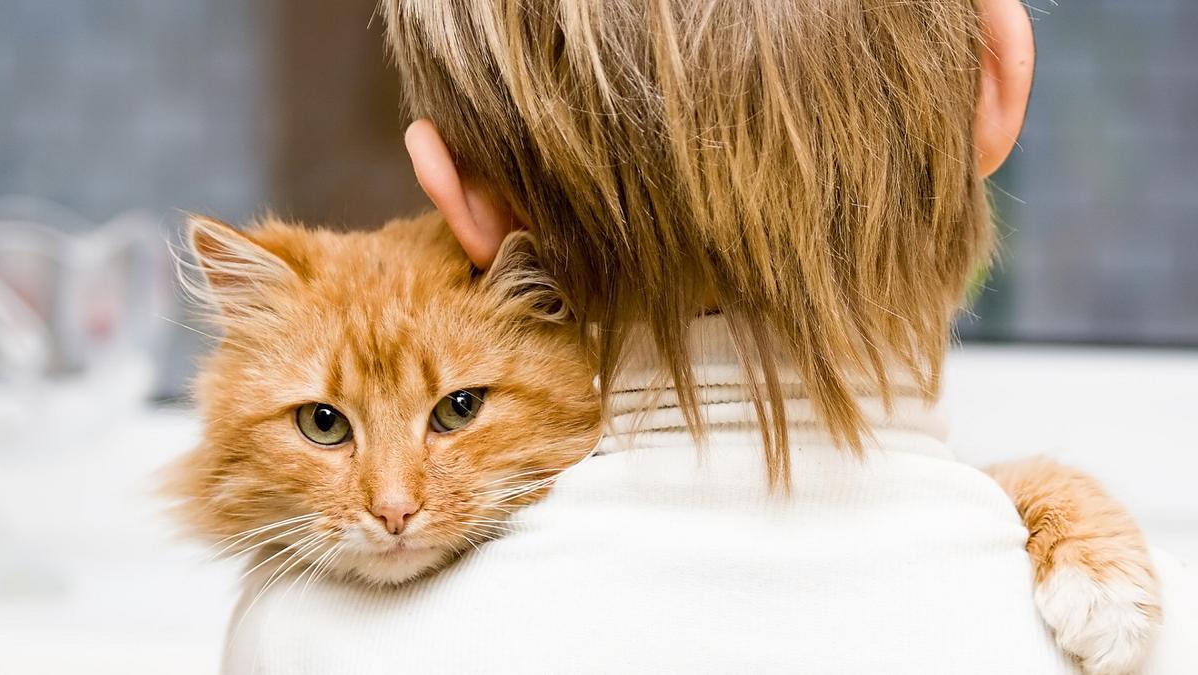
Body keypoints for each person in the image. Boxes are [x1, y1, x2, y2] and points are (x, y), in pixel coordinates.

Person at [224, 1, 1195, 672]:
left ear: (462, 199)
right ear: (998, 84)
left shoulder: (305, 638)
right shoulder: (1135, 631)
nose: (394, 500)